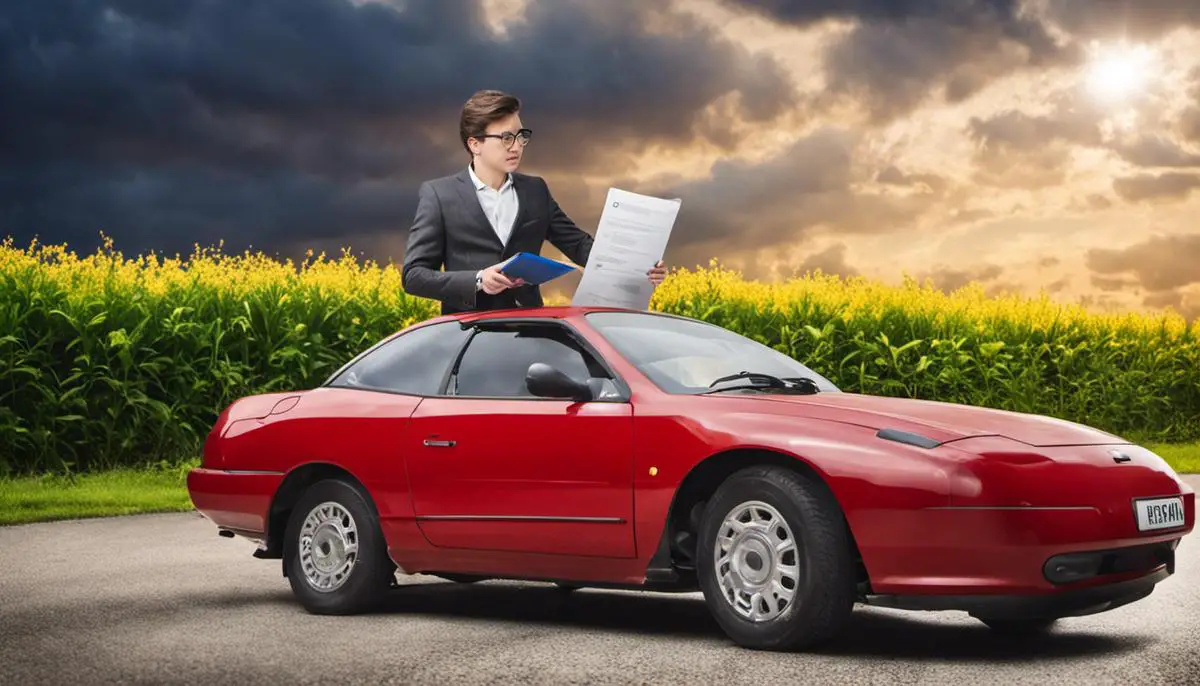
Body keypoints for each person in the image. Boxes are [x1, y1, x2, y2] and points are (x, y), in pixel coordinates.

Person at [402, 89, 667, 315]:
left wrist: (637, 268)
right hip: (468, 335)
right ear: (475, 144)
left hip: (528, 331)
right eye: (506, 138)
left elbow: (579, 244)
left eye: (521, 136)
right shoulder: (439, 195)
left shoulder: (535, 190)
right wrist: (478, 279)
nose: (517, 146)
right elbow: (413, 276)